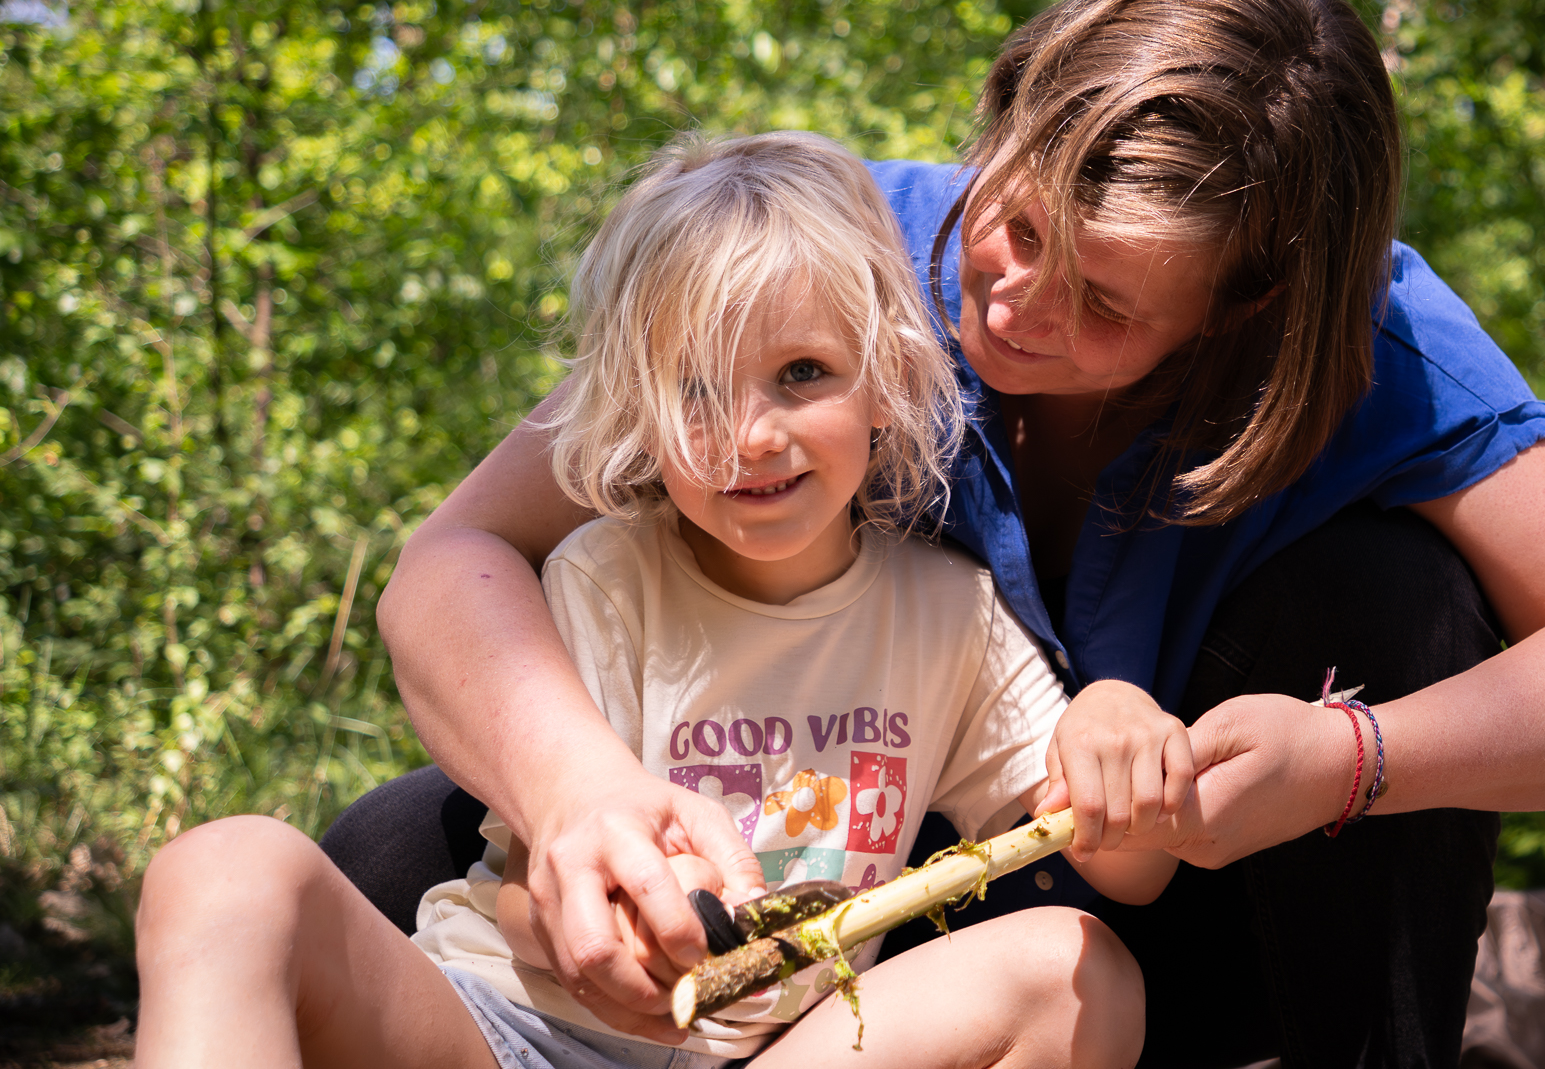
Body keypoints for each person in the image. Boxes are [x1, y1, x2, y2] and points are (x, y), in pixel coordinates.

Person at [350, 0, 1545, 1066]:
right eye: (1014, 223)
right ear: (1004, 108)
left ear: (1251, 301)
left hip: (1169, 926)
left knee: (1394, 599)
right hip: (814, 885)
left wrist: (1346, 757)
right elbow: (464, 552)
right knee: (384, 851)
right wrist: (576, 791)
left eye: (1106, 300)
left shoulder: (1380, 347)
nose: (1012, 302)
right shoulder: (828, 266)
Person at [134, 131, 1182, 1069]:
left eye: (802, 372)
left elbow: (1129, 869)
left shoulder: (946, 615)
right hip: (506, 1029)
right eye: (693, 388)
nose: (747, 434)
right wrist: (584, 942)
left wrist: (1116, 725)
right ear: (632, 410)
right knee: (223, 869)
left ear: (887, 380)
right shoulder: (601, 579)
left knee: (1082, 968)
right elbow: (513, 884)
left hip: (776, 1044)